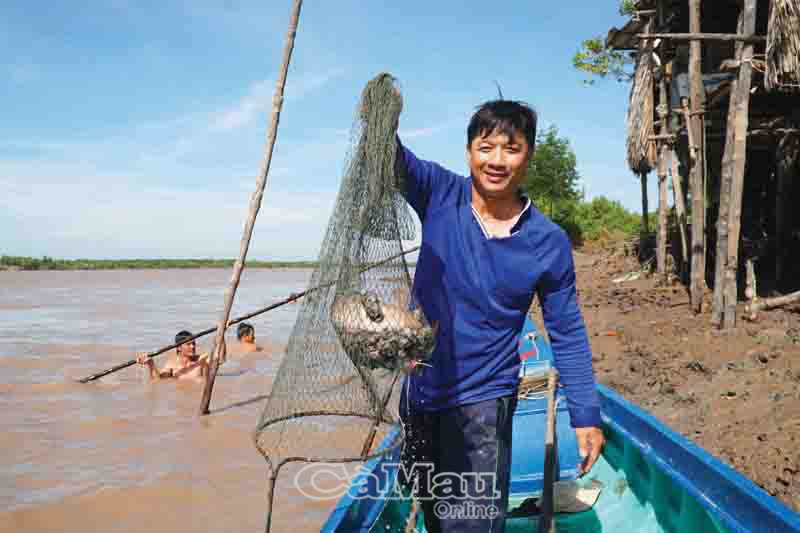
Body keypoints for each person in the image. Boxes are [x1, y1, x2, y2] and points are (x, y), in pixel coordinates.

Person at [394, 99, 605, 532]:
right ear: (469, 151)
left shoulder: (547, 241)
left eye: (511, 149)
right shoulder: (439, 192)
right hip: (419, 391)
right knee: (432, 510)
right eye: (486, 147)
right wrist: (381, 117)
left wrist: (584, 415)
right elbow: (389, 161)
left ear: (528, 156)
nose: (496, 161)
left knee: (470, 523)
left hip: (483, 402)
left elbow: (565, 330)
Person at [136, 330, 222, 382]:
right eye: (188, 344)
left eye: (193, 343)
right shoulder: (172, 364)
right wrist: (151, 364)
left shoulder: (202, 359)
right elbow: (158, 380)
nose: (193, 347)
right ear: (179, 347)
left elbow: (221, 358)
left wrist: (221, 335)